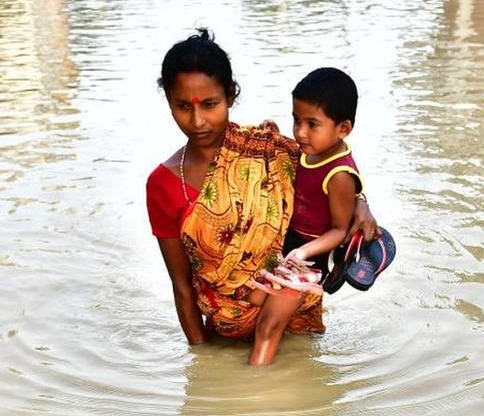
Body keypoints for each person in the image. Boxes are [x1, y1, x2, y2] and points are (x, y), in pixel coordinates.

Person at [146, 29, 377, 365]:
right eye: (182, 106)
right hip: (224, 342)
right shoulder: (163, 185)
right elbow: (181, 287)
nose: (197, 121)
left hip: (299, 333)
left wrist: (362, 200)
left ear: (230, 95)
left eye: (210, 105)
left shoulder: (272, 152)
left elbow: (330, 174)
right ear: (169, 101)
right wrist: (203, 368)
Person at [281, 67, 364, 279]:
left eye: (312, 124)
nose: (300, 132)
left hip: (314, 252)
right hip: (291, 238)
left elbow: (339, 230)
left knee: (277, 300)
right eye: (296, 120)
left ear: (343, 129)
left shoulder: (339, 173)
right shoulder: (309, 150)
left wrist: (304, 252)